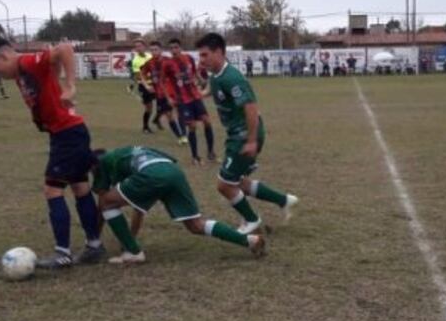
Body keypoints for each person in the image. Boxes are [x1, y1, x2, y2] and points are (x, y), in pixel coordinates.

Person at [0, 37, 105, 268]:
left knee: (52, 190)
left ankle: (62, 254)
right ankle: (94, 246)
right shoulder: (21, 72)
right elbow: (50, 71)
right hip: (68, 132)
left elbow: (65, 48)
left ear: (3, 57)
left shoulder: (28, 62)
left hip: (67, 134)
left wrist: (70, 86)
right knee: (80, 187)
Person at [91, 146, 266, 265]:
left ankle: (133, 253)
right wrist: (130, 238)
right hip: (173, 172)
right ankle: (249, 241)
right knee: (195, 225)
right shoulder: (129, 153)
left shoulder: (106, 162)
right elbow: (139, 207)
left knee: (107, 202)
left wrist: (94, 239)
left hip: (152, 174)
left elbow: (102, 203)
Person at [196, 32, 298, 234]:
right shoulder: (217, 74)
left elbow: (250, 108)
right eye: (200, 55)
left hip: (243, 136)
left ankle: (252, 220)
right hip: (237, 134)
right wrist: (200, 94)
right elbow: (213, 89)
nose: (201, 60)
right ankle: (284, 201)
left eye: (205, 55)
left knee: (224, 185)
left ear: (218, 52)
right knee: (238, 182)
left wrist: (251, 141)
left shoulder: (232, 78)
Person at [165, 38, 216, 165]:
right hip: (183, 100)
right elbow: (162, 82)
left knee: (207, 122)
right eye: (171, 48)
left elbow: (194, 73)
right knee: (192, 126)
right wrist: (168, 98)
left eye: (176, 47)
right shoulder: (168, 64)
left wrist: (201, 80)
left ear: (180, 48)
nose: (174, 50)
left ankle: (211, 153)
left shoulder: (189, 58)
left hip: (195, 97)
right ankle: (195, 157)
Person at [141, 41, 186, 143]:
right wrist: (147, 85)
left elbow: (177, 73)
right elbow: (142, 74)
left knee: (180, 112)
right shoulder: (149, 63)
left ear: (160, 50)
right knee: (169, 115)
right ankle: (180, 137)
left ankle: (183, 134)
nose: (154, 52)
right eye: (152, 50)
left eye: (156, 50)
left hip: (173, 92)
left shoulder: (168, 61)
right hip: (160, 94)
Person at [129, 40, 156, 133]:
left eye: (140, 46)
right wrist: (146, 84)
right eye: (136, 47)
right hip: (144, 85)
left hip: (154, 84)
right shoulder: (136, 61)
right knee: (149, 107)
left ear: (144, 47)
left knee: (164, 103)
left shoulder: (150, 56)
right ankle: (145, 126)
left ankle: (157, 119)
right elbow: (138, 76)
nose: (138, 48)